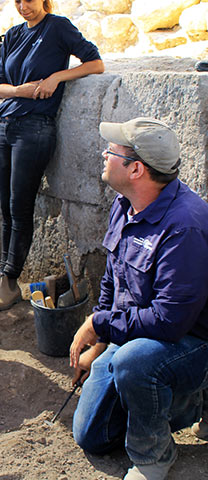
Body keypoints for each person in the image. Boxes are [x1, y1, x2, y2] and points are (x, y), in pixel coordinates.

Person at [69, 118, 208, 480]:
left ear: (136, 169)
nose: (104, 154)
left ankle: (153, 457)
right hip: (142, 332)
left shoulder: (185, 226)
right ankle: (177, 402)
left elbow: (169, 321)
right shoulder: (124, 204)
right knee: (91, 435)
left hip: (190, 341)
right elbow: (114, 279)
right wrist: (100, 342)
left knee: (135, 362)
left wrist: (98, 323)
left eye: (111, 151)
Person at [0, 0, 104, 312]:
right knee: (7, 209)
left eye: (30, 0)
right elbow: (0, 88)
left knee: (20, 209)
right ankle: (5, 281)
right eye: (18, 0)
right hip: (6, 126)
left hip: (36, 128)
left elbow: (96, 63)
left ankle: (10, 282)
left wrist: (57, 78)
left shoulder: (58, 26)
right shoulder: (12, 34)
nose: (24, 6)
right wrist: (24, 90)